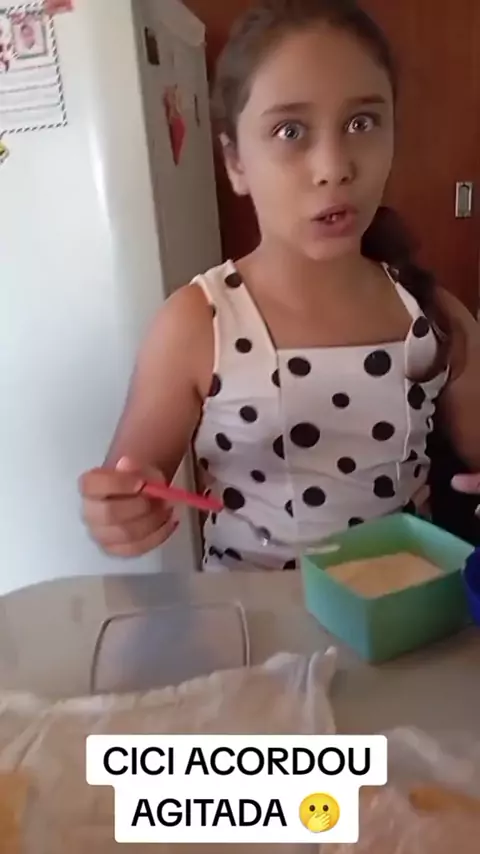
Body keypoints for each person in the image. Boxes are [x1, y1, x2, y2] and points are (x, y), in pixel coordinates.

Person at [79, 0, 480, 571]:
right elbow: (128, 482)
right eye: (290, 130)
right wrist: (120, 512)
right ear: (235, 162)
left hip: (400, 611)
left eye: (362, 123)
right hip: (253, 617)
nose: (334, 166)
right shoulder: (198, 324)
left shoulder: (435, 317)